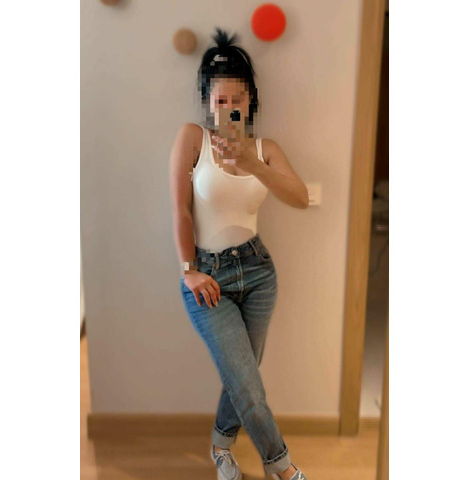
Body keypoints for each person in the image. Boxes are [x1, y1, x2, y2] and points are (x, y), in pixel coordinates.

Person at [169, 27, 309, 480]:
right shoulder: (192, 138)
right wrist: (189, 270)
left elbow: (300, 197)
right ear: (208, 102)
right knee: (247, 383)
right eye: (220, 100)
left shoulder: (266, 150)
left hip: (259, 273)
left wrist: (251, 164)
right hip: (207, 277)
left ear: (251, 102)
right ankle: (282, 468)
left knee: (243, 376)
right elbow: (180, 210)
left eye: (238, 100)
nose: (229, 107)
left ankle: (221, 446)